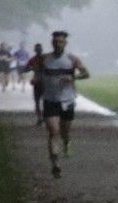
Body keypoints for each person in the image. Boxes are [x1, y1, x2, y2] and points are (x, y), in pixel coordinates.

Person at [35, 31, 91, 178]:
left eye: (60, 42)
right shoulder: (45, 59)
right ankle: (55, 165)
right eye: (55, 42)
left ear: (65, 43)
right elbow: (38, 73)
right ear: (52, 43)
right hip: (50, 100)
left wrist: (73, 77)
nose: (58, 44)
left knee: (64, 131)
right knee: (54, 132)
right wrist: (36, 79)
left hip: (67, 100)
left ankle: (67, 142)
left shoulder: (72, 59)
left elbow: (86, 73)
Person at [25, 41, 46, 125]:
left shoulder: (46, 59)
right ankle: (40, 117)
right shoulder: (32, 60)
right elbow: (25, 69)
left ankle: (42, 116)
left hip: (45, 82)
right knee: (37, 101)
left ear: (42, 50)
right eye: (37, 49)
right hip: (37, 82)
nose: (38, 51)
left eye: (39, 49)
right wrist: (31, 68)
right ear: (35, 50)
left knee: (44, 101)